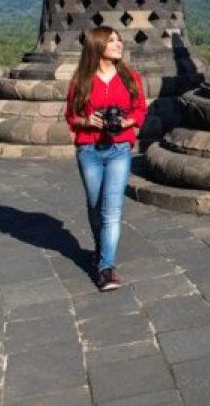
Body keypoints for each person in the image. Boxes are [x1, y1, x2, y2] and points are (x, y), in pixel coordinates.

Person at [64, 26, 146, 292]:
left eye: (119, 40)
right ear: (97, 46)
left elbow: (140, 109)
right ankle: (101, 251)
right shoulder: (81, 80)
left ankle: (106, 268)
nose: (119, 44)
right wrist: (88, 121)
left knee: (112, 210)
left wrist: (127, 121)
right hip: (89, 149)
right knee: (95, 206)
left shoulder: (130, 77)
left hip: (119, 148)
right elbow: (70, 117)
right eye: (112, 41)